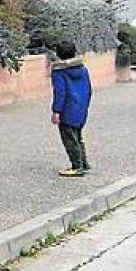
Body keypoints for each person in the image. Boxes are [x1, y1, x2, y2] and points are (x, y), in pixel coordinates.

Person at [50, 40, 93, 178]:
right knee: (78, 136)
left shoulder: (59, 72)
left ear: (58, 54)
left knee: (69, 139)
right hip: (81, 107)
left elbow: (60, 92)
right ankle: (84, 163)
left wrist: (56, 111)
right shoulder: (82, 69)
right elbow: (89, 89)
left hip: (67, 109)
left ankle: (77, 166)